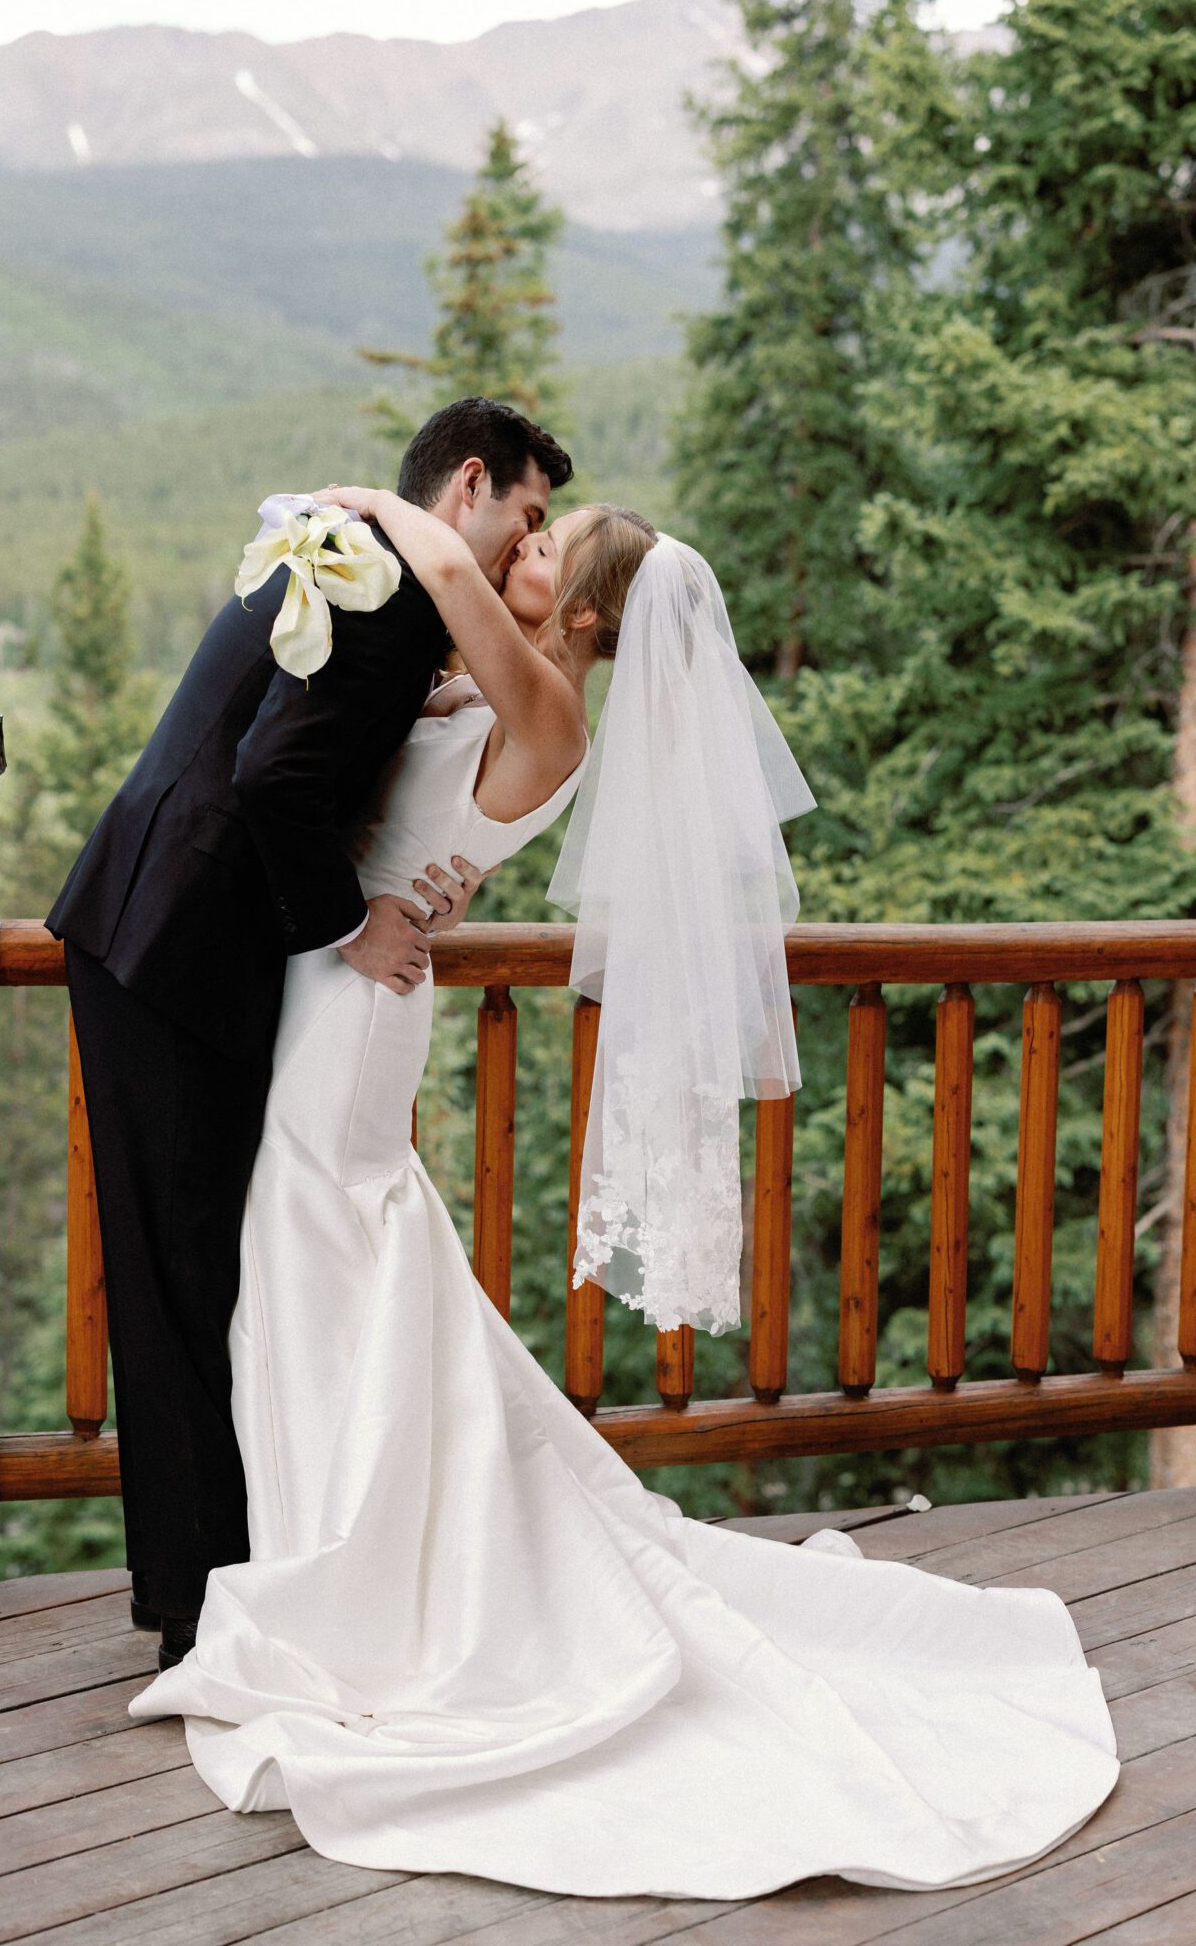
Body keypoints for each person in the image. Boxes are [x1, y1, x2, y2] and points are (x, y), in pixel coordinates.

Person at [126, 486, 1120, 1900]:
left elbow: (436, 569)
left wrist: (358, 508)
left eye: (542, 544)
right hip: (342, 985)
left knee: (320, 1258)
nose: (517, 555)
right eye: (521, 537)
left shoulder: (549, 708)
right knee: (331, 1275)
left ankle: (349, 1578)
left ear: (582, 612)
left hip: (350, 1016)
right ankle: (339, 1544)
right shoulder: (502, 692)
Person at [44, 399, 574, 1665]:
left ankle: (224, 1577)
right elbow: (276, 779)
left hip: (176, 937)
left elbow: (311, 764)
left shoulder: (381, 568)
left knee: (200, 1268)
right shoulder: (393, 587)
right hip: (168, 945)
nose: (525, 542)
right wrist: (354, 925)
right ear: (470, 484)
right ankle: (196, 1605)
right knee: (180, 1275)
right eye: (527, 513)